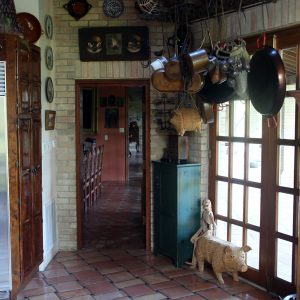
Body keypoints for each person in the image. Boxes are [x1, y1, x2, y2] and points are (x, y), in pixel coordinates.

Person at [186, 199, 217, 268]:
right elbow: (203, 225)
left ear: (209, 205)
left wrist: (213, 234)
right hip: (203, 230)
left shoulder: (210, 213)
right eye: (204, 204)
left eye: (206, 205)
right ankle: (193, 262)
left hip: (208, 232)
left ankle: (194, 263)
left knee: (196, 243)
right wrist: (197, 235)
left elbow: (214, 226)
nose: (204, 206)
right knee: (193, 240)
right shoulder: (204, 213)